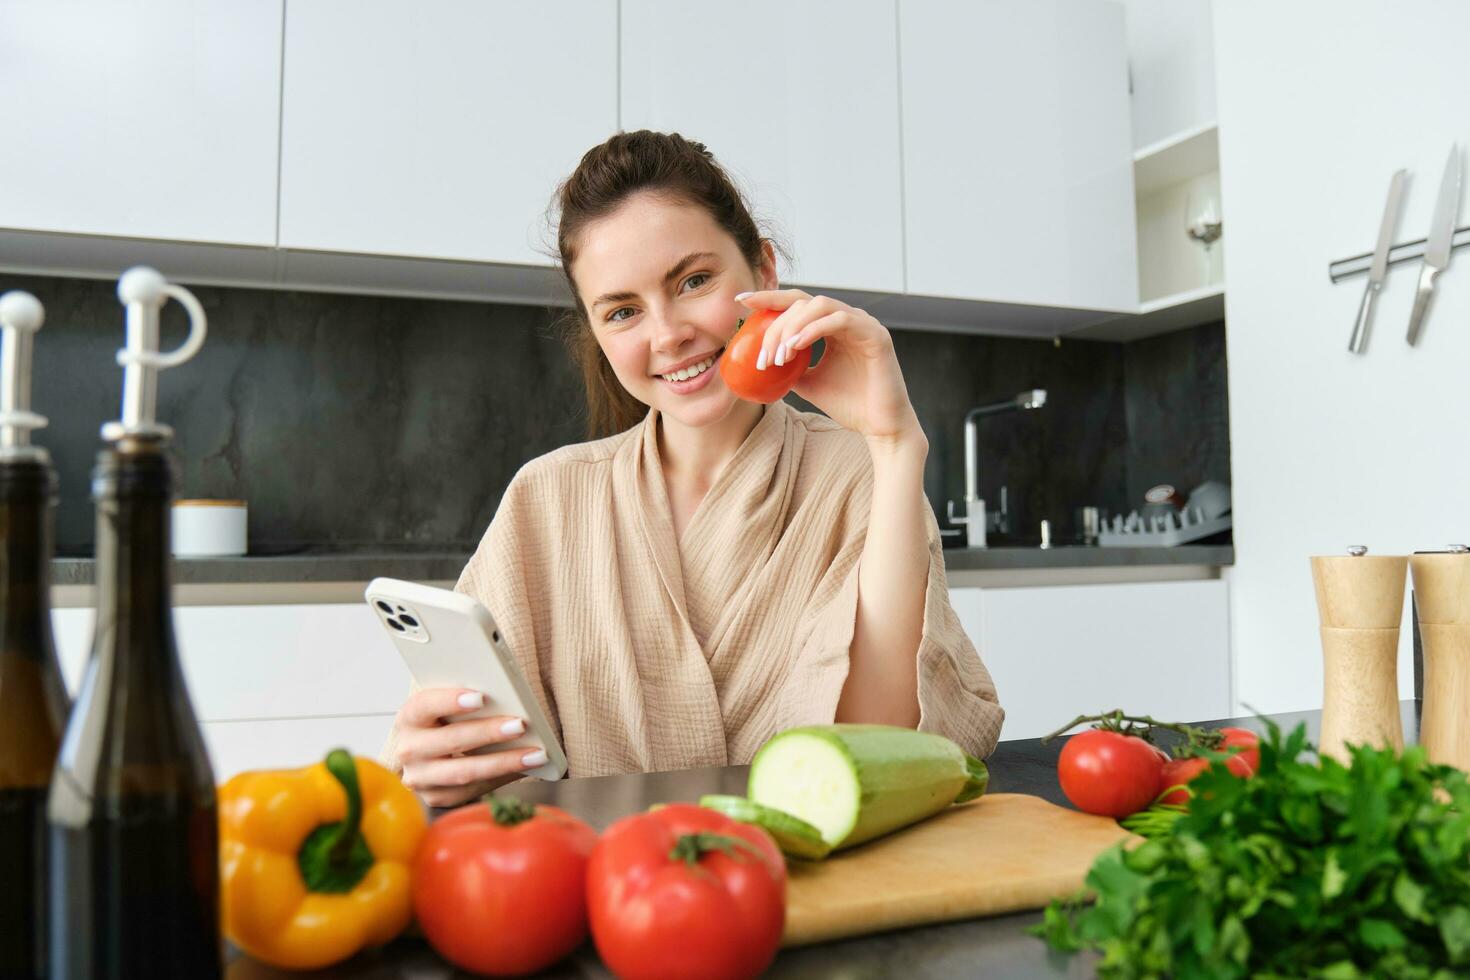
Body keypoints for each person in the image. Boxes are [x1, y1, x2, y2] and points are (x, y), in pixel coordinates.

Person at [386, 131, 1003, 808]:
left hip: (814, 885)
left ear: (764, 271)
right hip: (611, 890)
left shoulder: (863, 474)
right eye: (622, 311)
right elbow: (486, 759)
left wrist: (893, 444)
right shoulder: (548, 497)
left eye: (693, 281)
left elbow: (886, 747)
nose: (667, 333)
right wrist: (434, 756)